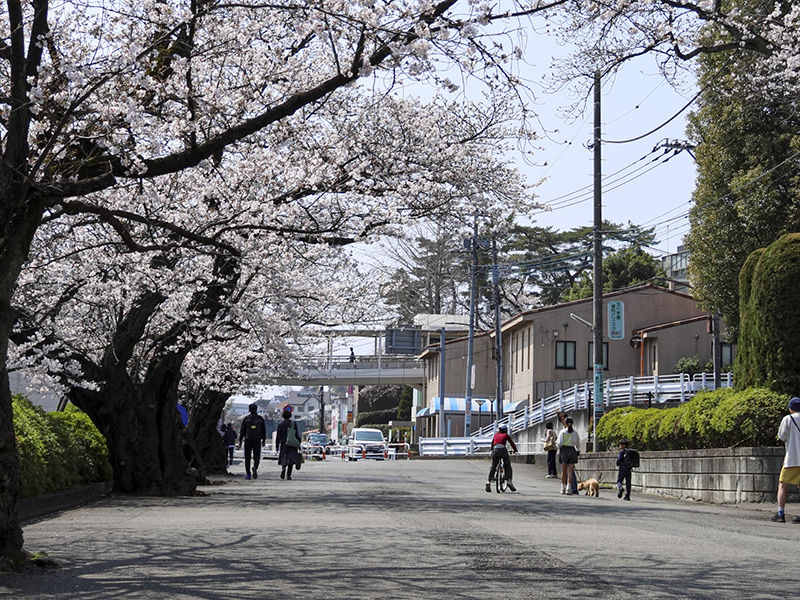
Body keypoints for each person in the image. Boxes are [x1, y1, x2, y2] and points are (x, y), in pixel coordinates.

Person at [771, 397, 800, 522]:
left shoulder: (788, 419)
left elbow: (782, 437)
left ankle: (780, 513)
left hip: (792, 459)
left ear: (791, 408)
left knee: (783, 486)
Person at [486, 423, 518, 492]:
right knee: (507, 466)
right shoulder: (506, 435)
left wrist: (492, 449)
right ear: (505, 430)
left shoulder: (495, 435)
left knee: (493, 466)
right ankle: (509, 481)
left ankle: (489, 481)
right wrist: (515, 450)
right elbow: (512, 443)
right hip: (503, 450)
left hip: (495, 450)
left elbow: (492, 444)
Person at [237, 403, 266, 480]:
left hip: (248, 440)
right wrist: (264, 440)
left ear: (249, 409)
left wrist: (240, 440)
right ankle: (255, 468)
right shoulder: (260, 419)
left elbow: (242, 430)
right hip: (257, 440)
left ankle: (248, 474)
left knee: (247, 458)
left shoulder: (246, 419)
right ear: (256, 409)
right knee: (257, 457)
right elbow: (263, 431)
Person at [556, 417, 580, 495]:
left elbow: (559, 443)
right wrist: (578, 450)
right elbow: (577, 443)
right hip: (572, 451)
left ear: (565, 423)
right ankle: (568, 488)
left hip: (564, 451)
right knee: (570, 471)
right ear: (572, 423)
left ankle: (562, 487)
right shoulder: (575, 432)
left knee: (564, 471)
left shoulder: (562, 432)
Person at [276, 409, 302, 480]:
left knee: (284, 457)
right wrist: (299, 443)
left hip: (284, 442)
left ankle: (283, 468)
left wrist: (277, 445)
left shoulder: (280, 424)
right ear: (290, 416)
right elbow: (296, 434)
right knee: (291, 458)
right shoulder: (293, 424)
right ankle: (288, 475)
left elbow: (278, 436)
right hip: (292, 442)